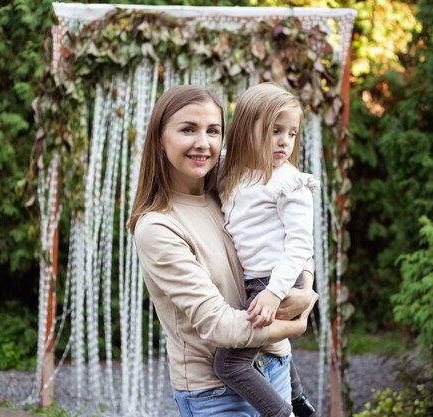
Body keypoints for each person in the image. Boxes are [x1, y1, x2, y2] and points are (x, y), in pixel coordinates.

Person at [129, 85, 318, 417]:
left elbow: (294, 244)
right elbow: (220, 326)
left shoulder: (231, 189)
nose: (203, 143)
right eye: (188, 129)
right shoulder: (158, 227)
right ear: (160, 137)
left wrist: (304, 287)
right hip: (216, 393)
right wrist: (296, 322)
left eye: (213, 131)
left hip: (275, 364)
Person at [215, 82, 319, 417]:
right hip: (253, 280)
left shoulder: (290, 183)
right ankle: (300, 401)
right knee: (271, 345)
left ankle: (281, 412)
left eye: (292, 133)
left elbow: (301, 243)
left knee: (229, 364)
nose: (285, 142)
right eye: (275, 130)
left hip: (271, 282)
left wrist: (276, 292)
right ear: (246, 129)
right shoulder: (235, 169)